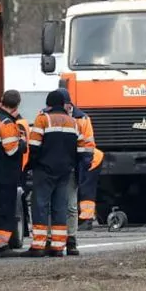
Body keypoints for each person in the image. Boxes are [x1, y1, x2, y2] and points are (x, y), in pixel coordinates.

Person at [24, 89, 85, 257]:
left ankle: (39, 246)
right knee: (60, 207)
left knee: (41, 206)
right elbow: (80, 150)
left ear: (49, 104)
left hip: (44, 170)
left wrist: (31, 166)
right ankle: (58, 247)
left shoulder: (43, 119)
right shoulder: (74, 122)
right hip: (65, 171)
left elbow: (34, 147)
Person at [0, 90, 28, 257]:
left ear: (2, 100)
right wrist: (22, 142)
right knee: (5, 208)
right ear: (17, 104)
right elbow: (12, 151)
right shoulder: (8, 125)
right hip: (6, 173)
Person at [59, 87, 96, 256]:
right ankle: (55, 241)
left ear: (68, 105)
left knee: (71, 206)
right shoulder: (49, 116)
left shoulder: (82, 119)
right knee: (55, 204)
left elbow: (88, 146)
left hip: (72, 168)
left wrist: (83, 167)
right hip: (55, 168)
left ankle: (71, 239)